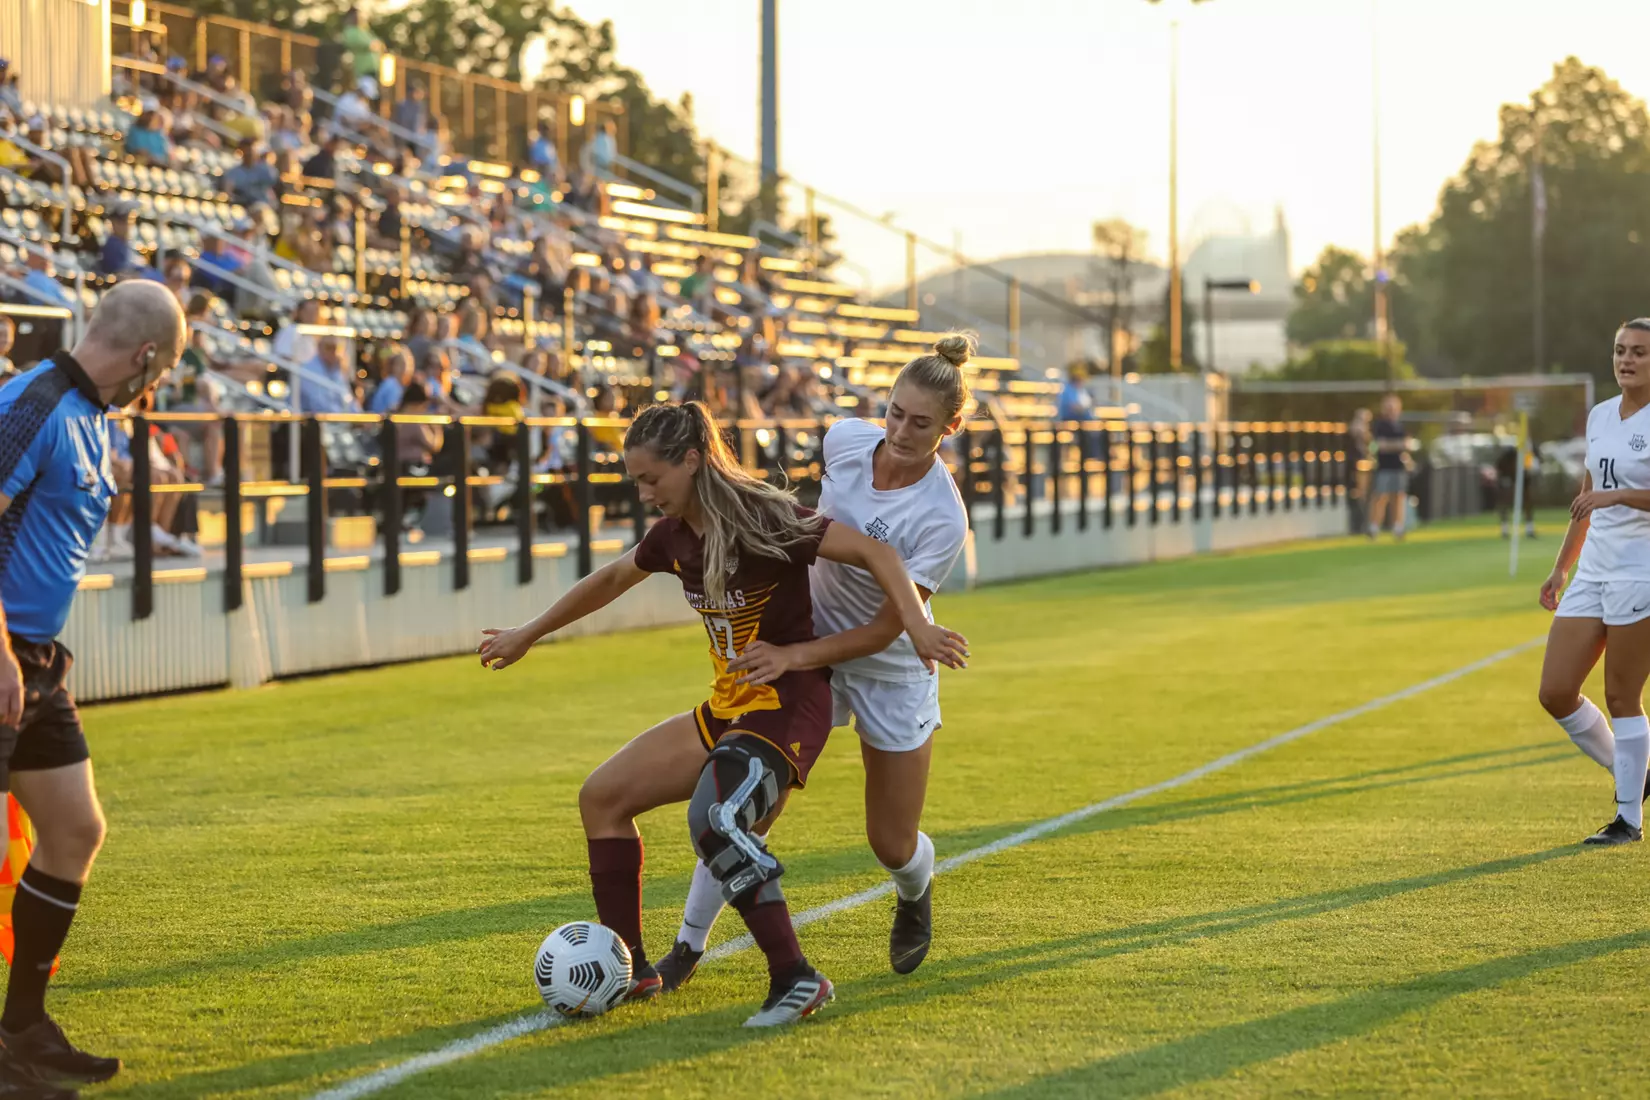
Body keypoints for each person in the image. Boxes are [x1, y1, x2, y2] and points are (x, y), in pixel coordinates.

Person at [476, 402, 968, 1026]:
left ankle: (796, 978)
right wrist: (528, 632)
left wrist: (918, 628)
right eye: (634, 480)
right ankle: (632, 968)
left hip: (787, 705)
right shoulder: (672, 534)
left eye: (651, 478)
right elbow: (610, 579)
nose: (643, 491)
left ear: (691, 461)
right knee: (601, 798)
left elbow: (881, 557)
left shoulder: (767, 520)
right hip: (728, 709)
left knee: (716, 819)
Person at [658, 336, 975, 989]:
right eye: (894, 413)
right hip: (805, 654)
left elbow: (891, 626)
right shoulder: (846, 441)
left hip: (887, 666)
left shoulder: (943, 517)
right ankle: (686, 948)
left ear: (952, 426)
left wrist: (792, 652)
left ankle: (915, 891)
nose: (902, 432)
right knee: (740, 808)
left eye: (922, 423)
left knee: (891, 842)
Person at [0, 280, 184, 1089]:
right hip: (2, 655)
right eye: (168, 365)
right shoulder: (32, 402)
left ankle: (23, 1029)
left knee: (74, 831)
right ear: (146, 355)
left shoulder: (91, 419)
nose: (163, 382)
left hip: (36, 661)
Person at [1538, 318, 1650, 846]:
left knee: (1621, 695)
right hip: (1594, 571)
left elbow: (1609, 495)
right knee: (1556, 691)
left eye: (1640, 353)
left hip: (1639, 570)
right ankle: (1637, 776)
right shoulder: (1602, 415)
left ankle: (1629, 818)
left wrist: (1620, 495)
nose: (1627, 360)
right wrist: (1562, 566)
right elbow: (1586, 499)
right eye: (1620, 350)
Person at [1367, 393, 1409, 540]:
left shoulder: (1400, 425)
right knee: (1380, 496)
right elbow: (1380, 446)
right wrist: (1397, 445)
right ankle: (1374, 527)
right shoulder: (1380, 425)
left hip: (1398, 466)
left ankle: (1398, 527)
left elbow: (1405, 445)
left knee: (1398, 496)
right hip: (1384, 466)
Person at [1498, 431, 1538, 540]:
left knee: (1527, 504)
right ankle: (1505, 529)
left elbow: (1533, 467)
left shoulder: (1529, 453)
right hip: (1509, 480)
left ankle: (1529, 528)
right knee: (1506, 503)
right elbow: (1500, 465)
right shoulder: (1510, 453)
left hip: (1524, 481)